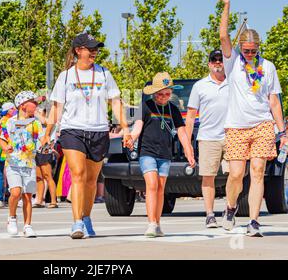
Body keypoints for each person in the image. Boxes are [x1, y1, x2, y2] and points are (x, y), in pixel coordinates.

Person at [41, 33, 132, 239]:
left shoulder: (104, 74)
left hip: (99, 131)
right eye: (90, 48)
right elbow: (56, 107)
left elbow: (115, 102)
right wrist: (47, 133)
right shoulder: (65, 76)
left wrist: (125, 128)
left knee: (91, 180)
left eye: (96, 49)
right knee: (78, 174)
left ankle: (87, 216)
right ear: (77, 50)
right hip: (72, 130)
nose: (94, 52)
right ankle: (76, 222)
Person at [213, 0, 287, 236]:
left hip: (262, 125)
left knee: (257, 172)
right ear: (240, 48)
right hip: (236, 125)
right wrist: (226, 5)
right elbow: (223, 34)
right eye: (246, 50)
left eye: (253, 51)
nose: (250, 54)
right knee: (236, 174)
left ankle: (253, 221)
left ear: (258, 48)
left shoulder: (268, 67)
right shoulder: (232, 61)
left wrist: (282, 130)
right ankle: (231, 207)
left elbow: (274, 100)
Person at [129, 72, 195, 237]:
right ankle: (151, 223)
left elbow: (181, 131)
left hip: (164, 155)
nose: (164, 97)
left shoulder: (173, 109)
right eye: (160, 94)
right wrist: (131, 138)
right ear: (154, 93)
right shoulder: (145, 106)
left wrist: (188, 150)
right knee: (151, 185)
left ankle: (157, 224)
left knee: (160, 189)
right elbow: (138, 125)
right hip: (147, 152)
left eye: (167, 93)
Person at [185, 50, 229, 228]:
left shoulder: (234, 82)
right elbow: (190, 116)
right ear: (209, 63)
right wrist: (187, 144)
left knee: (236, 174)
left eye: (221, 59)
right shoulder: (200, 86)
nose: (218, 62)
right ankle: (210, 214)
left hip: (232, 136)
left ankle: (229, 209)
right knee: (208, 176)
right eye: (214, 60)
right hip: (208, 138)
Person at [0, 91, 44, 238]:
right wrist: (6, 148)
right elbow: (2, 139)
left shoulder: (36, 123)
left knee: (27, 196)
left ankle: (27, 226)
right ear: (23, 105)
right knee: (16, 192)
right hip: (13, 162)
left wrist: (45, 145)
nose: (36, 105)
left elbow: (41, 140)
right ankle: (12, 218)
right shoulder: (10, 122)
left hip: (29, 163)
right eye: (34, 102)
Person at [34, 107, 58, 208]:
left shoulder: (50, 121)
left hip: (46, 148)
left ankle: (53, 201)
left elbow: (45, 121)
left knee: (48, 176)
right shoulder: (37, 121)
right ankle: (39, 200)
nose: (38, 112)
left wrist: (36, 112)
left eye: (40, 110)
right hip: (37, 149)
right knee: (38, 177)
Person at [0, 102, 17, 207]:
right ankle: (8, 198)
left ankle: (1, 199)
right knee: (8, 176)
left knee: (1, 176)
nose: (15, 110)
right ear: (8, 110)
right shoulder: (10, 121)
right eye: (13, 108)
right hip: (6, 151)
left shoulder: (0, 120)